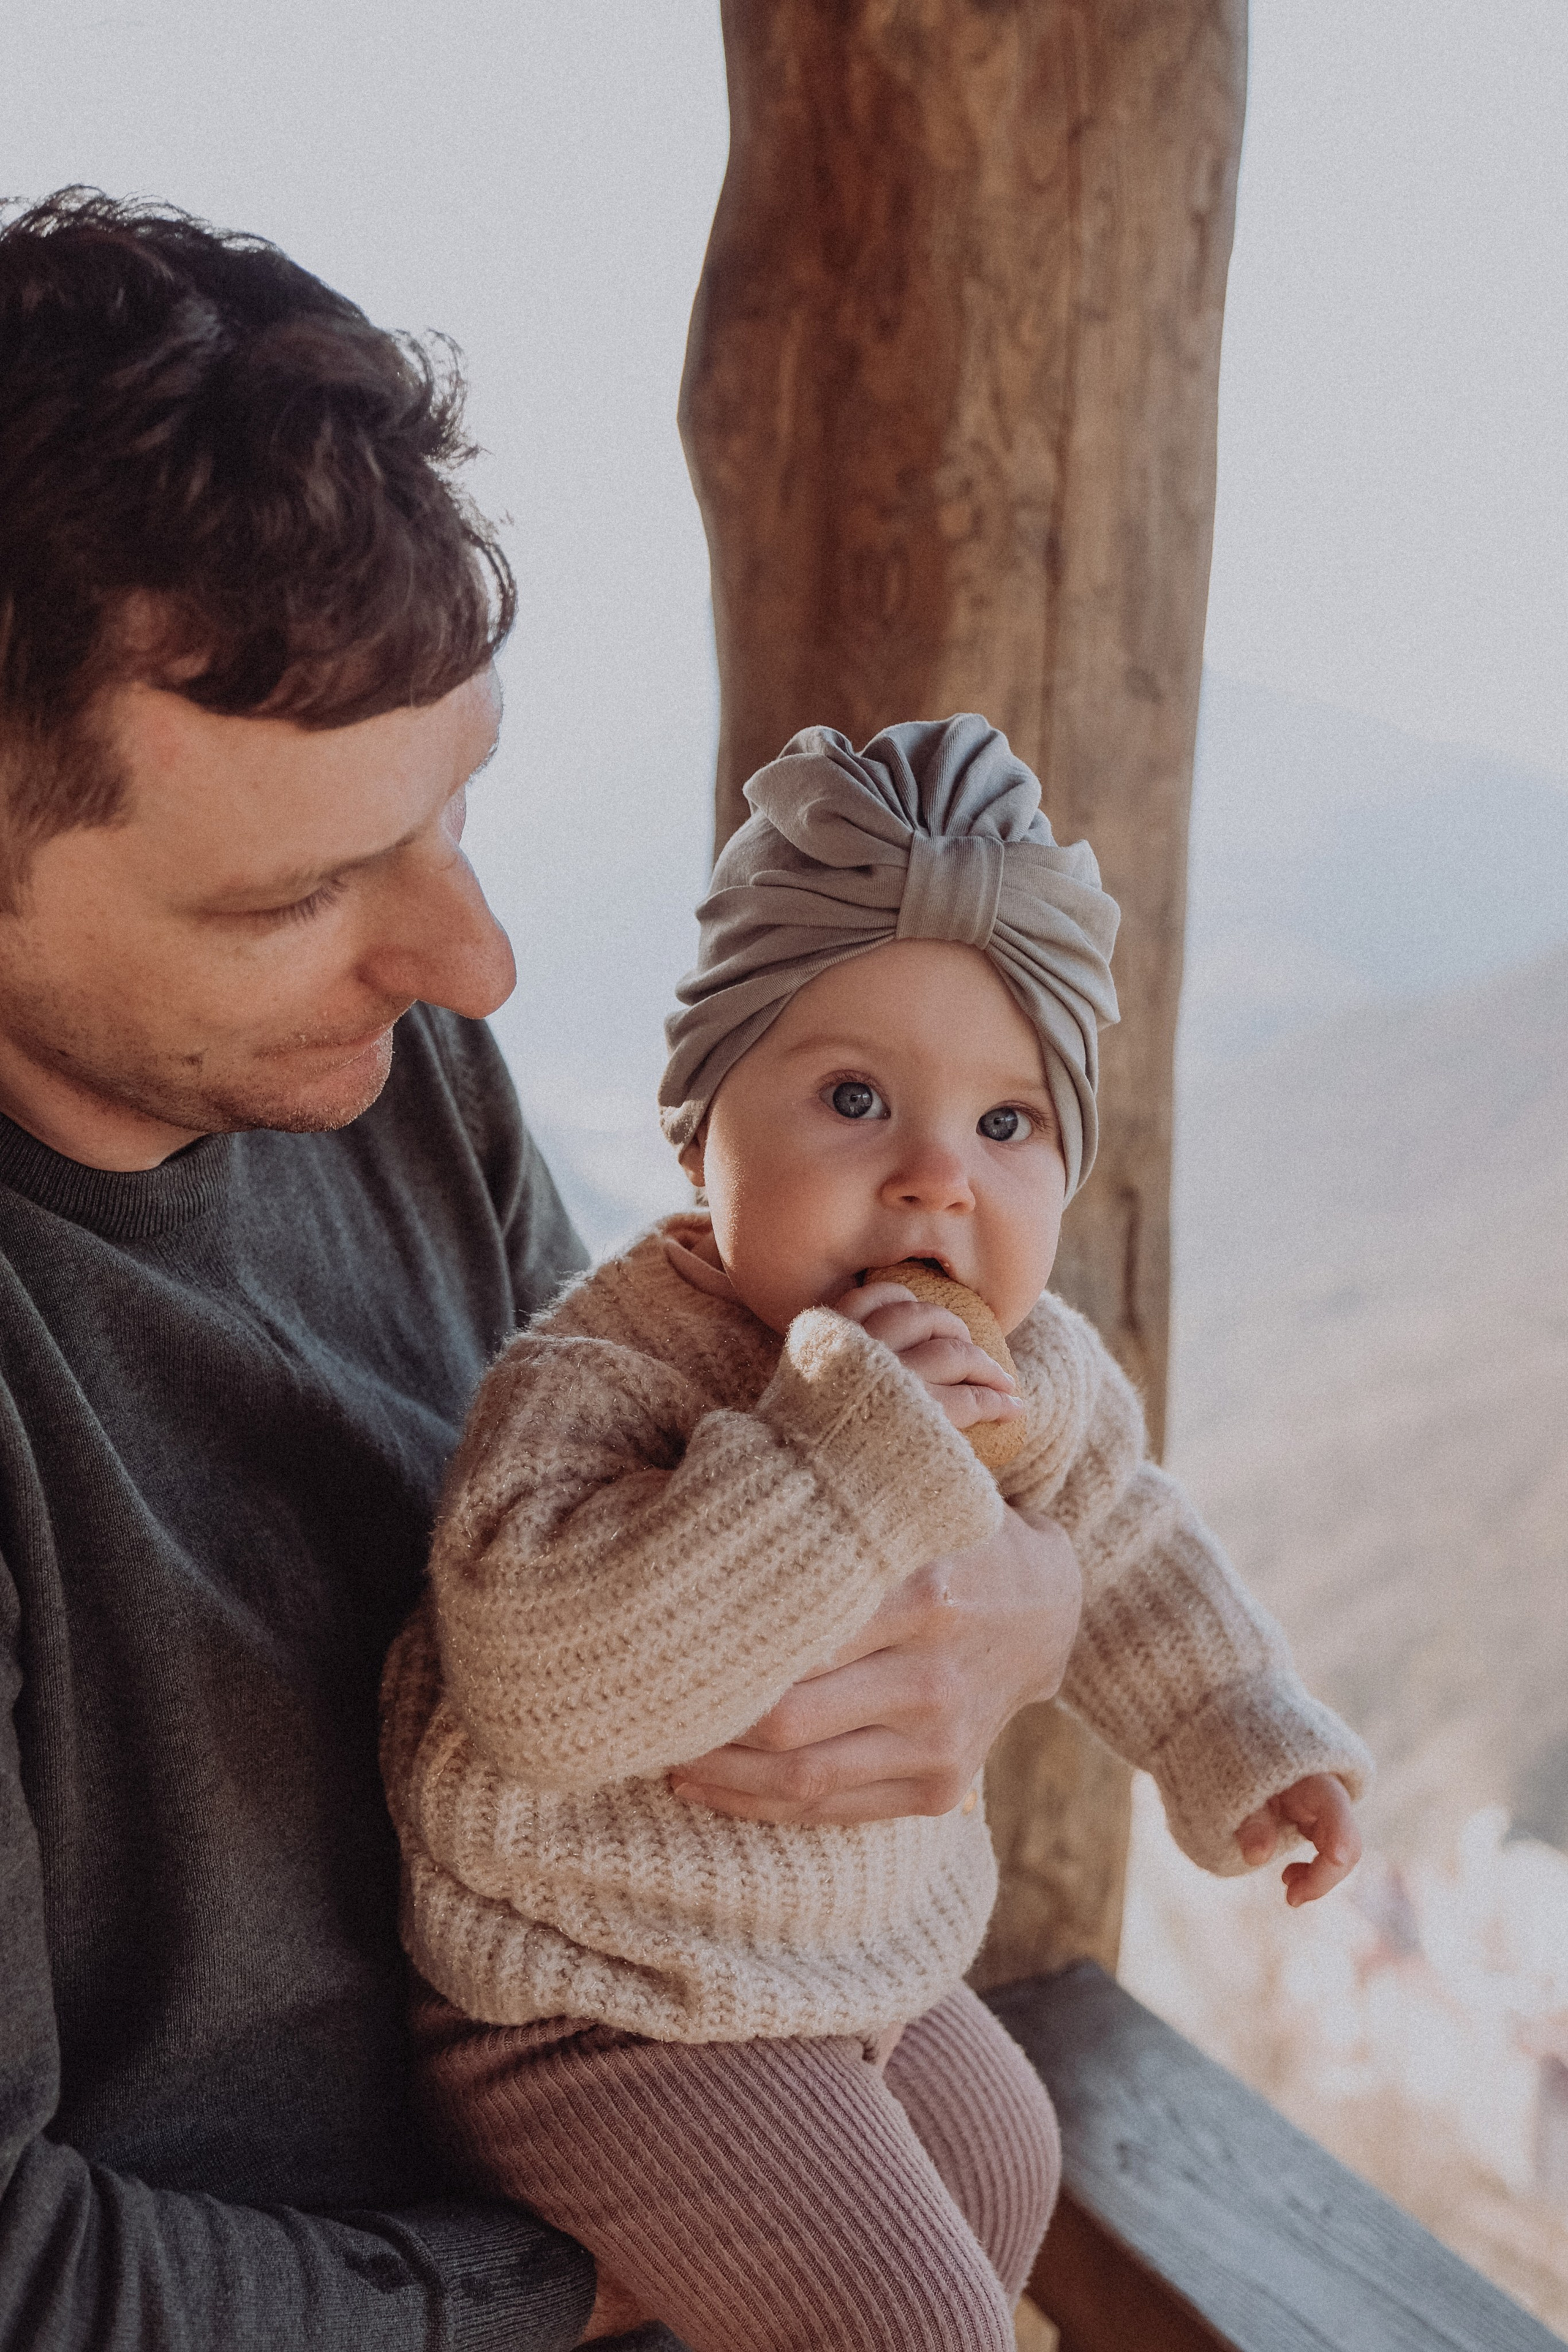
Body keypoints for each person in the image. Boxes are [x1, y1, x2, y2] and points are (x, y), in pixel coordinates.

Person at [0, 194, 1084, 2352]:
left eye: (458, 811)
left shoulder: (404, 1075)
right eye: (299, 892)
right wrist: (625, 2265)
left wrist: (1019, 1608)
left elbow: (687, 1445)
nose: (467, 963)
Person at [383, 717, 1374, 2352]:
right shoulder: (603, 1378)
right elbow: (539, 1685)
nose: (934, 1182)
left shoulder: (1026, 1365)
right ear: (702, 1135)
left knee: (1007, 2155)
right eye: (855, 1098)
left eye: (1008, 1127)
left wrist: (1237, 1727)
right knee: (917, 2325)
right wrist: (843, 1455)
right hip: (594, 1995)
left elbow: (1122, 1536)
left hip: (839, 1964)